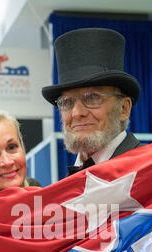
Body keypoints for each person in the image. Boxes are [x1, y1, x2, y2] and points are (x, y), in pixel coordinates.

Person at [42, 28, 145, 175]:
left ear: (124, 108)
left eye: (92, 97)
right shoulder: (67, 182)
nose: (77, 113)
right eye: (67, 102)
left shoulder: (149, 171)